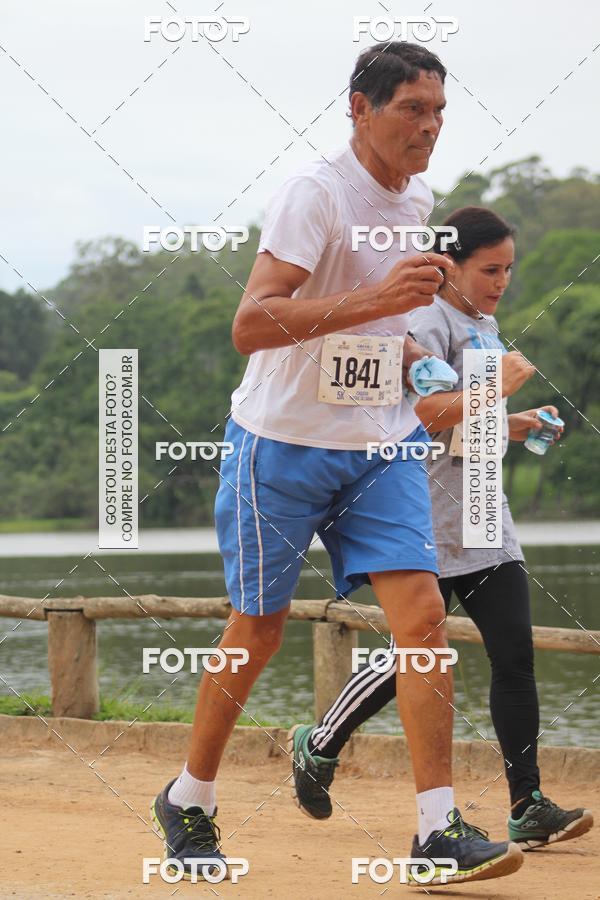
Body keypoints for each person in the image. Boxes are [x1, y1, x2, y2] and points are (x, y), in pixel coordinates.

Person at [151, 44, 524, 886]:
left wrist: (418, 368)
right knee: (260, 628)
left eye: (438, 112)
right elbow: (252, 326)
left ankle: (436, 832)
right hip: (279, 441)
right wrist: (376, 301)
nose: (428, 127)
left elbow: (389, 330)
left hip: (377, 444)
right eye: (411, 110)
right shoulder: (313, 196)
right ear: (360, 107)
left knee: (424, 617)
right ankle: (189, 796)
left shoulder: (422, 198)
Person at [290, 205, 594, 852]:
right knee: (415, 654)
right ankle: (318, 742)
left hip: (483, 504)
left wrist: (519, 422)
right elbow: (425, 414)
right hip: (426, 510)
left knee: (514, 653)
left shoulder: (482, 321)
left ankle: (527, 803)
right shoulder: (425, 321)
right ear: (448, 265)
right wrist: (499, 390)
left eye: (509, 269)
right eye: (490, 269)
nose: (502, 281)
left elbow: (470, 421)